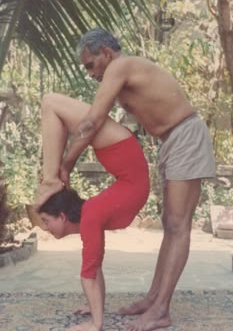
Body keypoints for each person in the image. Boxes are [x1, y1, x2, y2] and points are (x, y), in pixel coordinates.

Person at [36, 28, 215, 331]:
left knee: (177, 225)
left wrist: (66, 164)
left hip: (185, 135)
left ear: (105, 52)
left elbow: (92, 122)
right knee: (170, 225)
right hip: (172, 141)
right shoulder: (118, 75)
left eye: (90, 64)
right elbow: (96, 122)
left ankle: (160, 310)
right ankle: (153, 300)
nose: (90, 73)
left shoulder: (120, 66)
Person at [35, 93, 150, 331]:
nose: (45, 227)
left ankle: (50, 181)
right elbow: (95, 267)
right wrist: (93, 304)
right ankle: (50, 179)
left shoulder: (91, 215)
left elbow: (87, 273)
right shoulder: (93, 214)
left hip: (121, 149)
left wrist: (95, 324)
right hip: (123, 154)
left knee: (50, 103)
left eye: (46, 220)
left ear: (63, 216)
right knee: (53, 108)